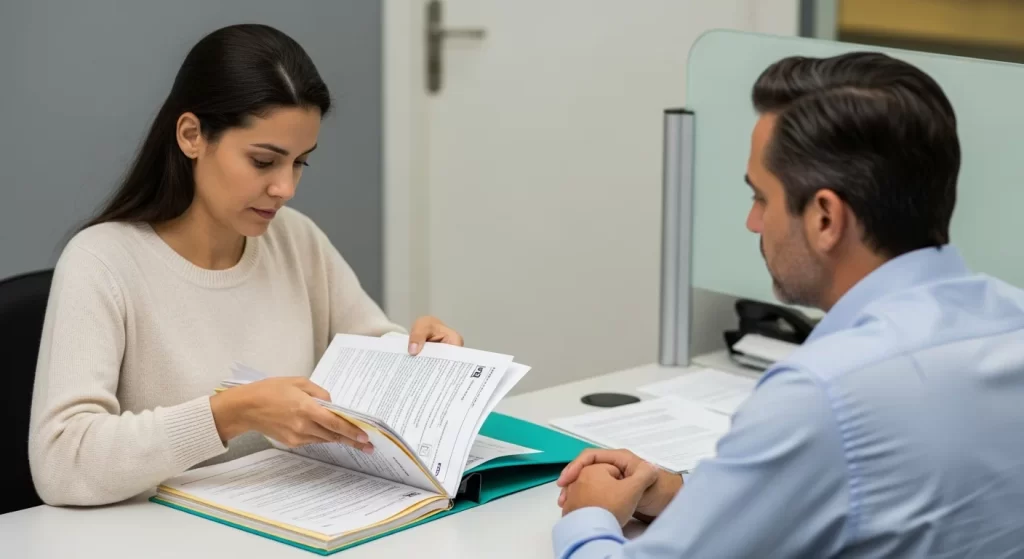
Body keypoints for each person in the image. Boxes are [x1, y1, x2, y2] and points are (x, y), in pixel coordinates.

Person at [552, 52, 1024, 557]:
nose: (753, 224)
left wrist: (589, 516)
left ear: (825, 218)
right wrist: (693, 500)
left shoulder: (825, 391)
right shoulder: (1011, 319)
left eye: (762, 199)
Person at [28, 24, 463, 507]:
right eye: (263, 161)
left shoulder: (296, 240)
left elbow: (367, 344)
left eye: (300, 162)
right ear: (192, 135)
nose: (286, 188)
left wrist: (419, 356)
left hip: (293, 521)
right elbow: (62, 463)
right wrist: (229, 414)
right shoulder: (102, 261)